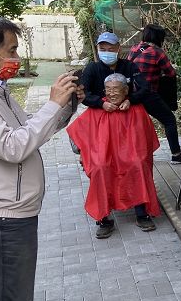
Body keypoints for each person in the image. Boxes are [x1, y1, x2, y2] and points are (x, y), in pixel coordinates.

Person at [0, 16, 82, 301]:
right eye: (10, 50)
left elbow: (31, 130)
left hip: (15, 212)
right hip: (3, 217)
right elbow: (14, 147)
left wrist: (64, 107)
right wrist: (52, 104)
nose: (16, 57)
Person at [68, 73, 161, 239]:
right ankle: (103, 218)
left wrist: (140, 155)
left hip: (131, 154)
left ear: (126, 91)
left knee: (138, 164)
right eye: (108, 89)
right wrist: (82, 152)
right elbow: (77, 132)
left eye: (115, 89)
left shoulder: (137, 109)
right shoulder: (97, 108)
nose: (111, 93)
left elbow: (146, 138)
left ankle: (141, 213)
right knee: (100, 168)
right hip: (105, 155)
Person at [81, 31, 181, 164]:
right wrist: (100, 103)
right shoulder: (92, 68)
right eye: (102, 49)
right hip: (102, 115)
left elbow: (145, 87)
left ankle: (170, 155)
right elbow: (83, 94)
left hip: (127, 113)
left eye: (110, 49)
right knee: (102, 157)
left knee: (136, 154)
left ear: (118, 49)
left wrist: (130, 100)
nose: (106, 52)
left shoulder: (129, 66)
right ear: (97, 50)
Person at [127, 23, 176, 106]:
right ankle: (171, 105)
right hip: (148, 94)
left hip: (132, 92)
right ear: (159, 38)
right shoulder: (157, 52)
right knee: (169, 79)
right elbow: (171, 73)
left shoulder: (134, 48)